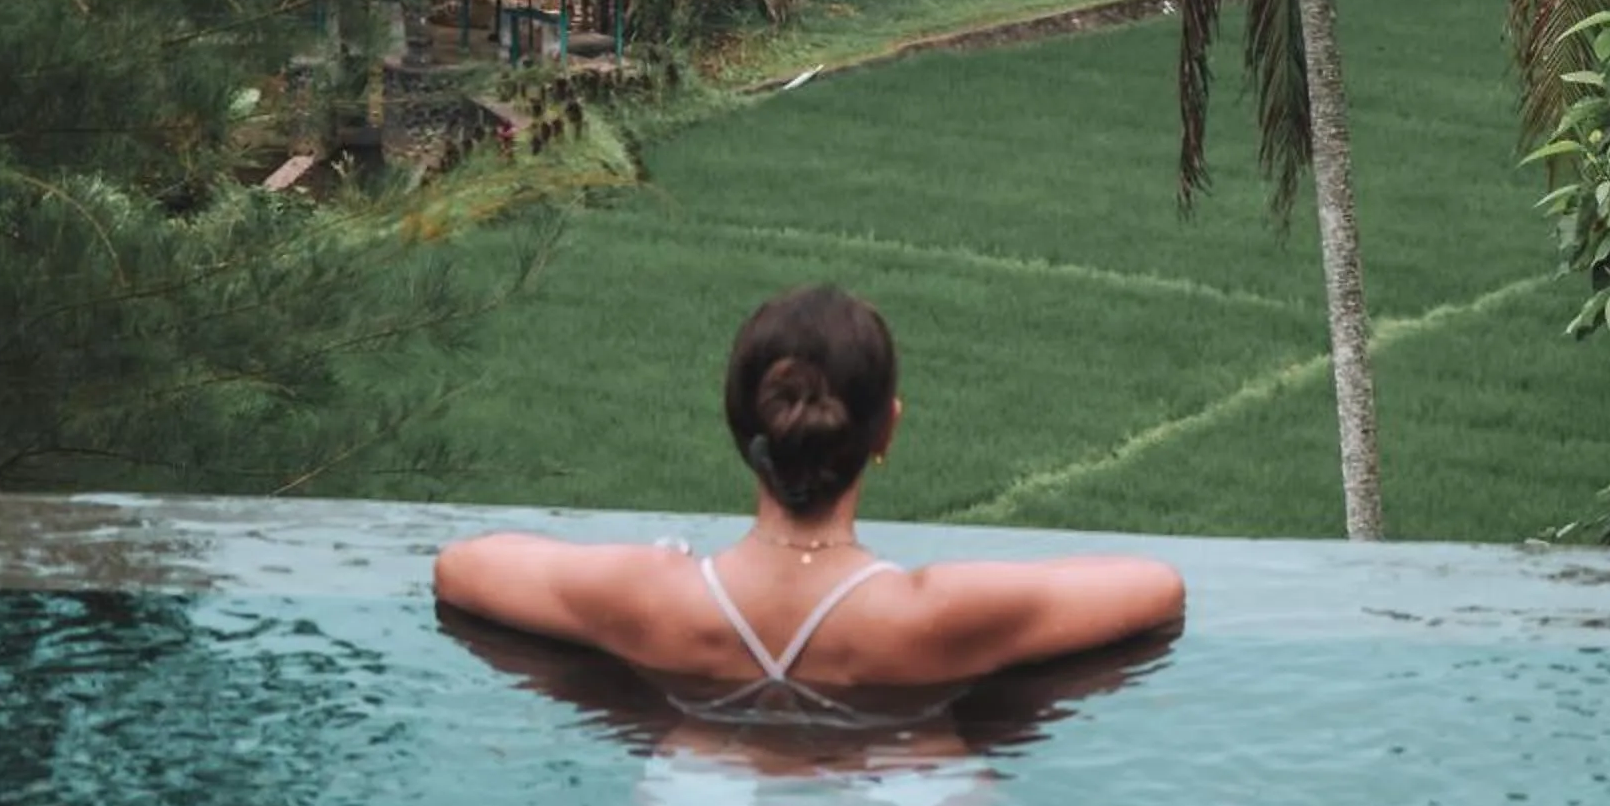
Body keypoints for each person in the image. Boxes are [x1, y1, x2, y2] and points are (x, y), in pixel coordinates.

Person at [432, 284, 1185, 702]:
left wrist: (655, 566)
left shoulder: (652, 598)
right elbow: (1156, 586)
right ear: (886, 430)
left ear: (741, 428)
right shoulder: (938, 613)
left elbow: (462, 567)